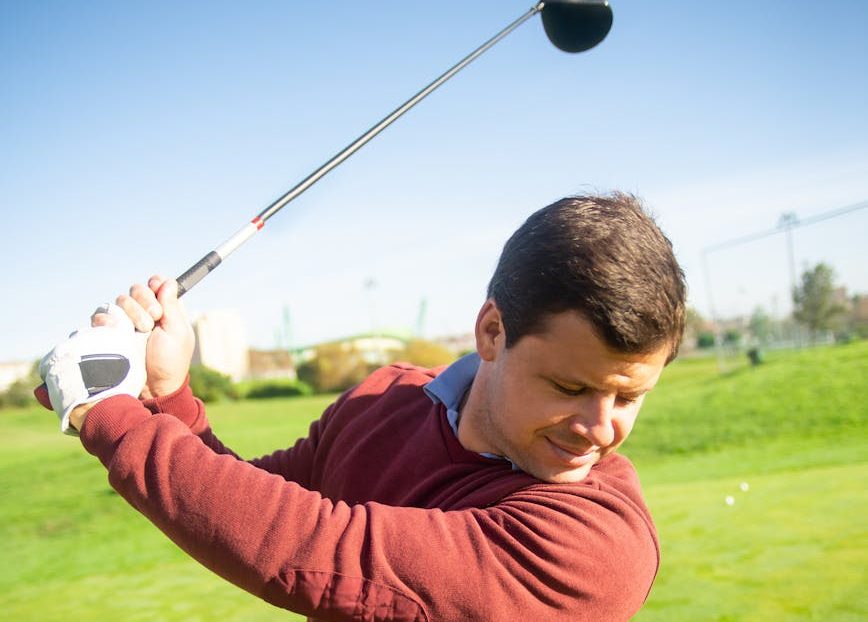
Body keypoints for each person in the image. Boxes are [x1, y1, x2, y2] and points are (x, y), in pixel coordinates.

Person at [38, 192, 686, 621]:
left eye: (629, 397)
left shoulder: (596, 544)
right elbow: (246, 501)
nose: (601, 429)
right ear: (492, 332)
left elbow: (322, 549)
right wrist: (166, 394)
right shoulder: (386, 397)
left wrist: (107, 411)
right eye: (570, 388)